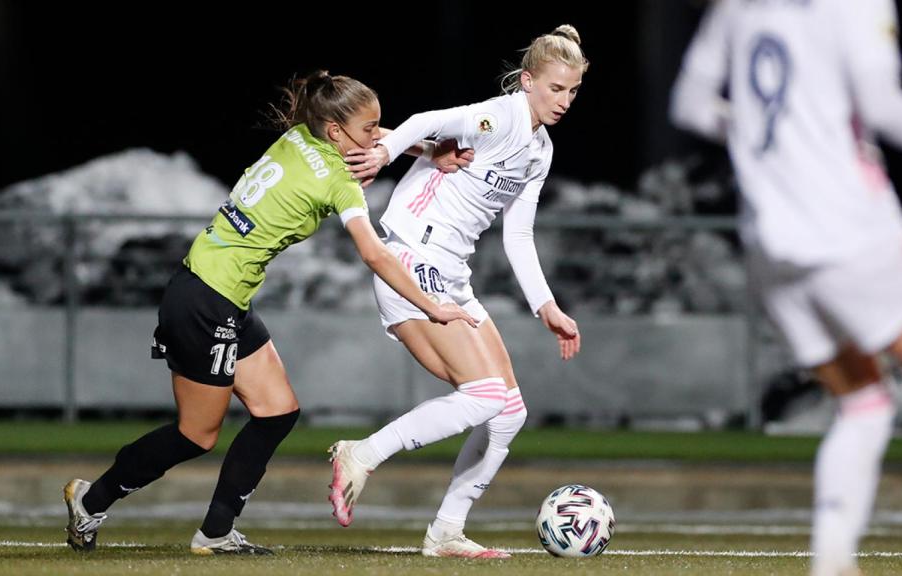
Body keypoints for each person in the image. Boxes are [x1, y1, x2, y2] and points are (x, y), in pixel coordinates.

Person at [62, 70, 478, 555]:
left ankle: (215, 532)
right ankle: (91, 500)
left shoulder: (300, 134)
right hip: (205, 300)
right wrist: (432, 306)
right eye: (368, 129)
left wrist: (427, 151)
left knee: (277, 412)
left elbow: (380, 138)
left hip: (220, 294)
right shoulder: (337, 179)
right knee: (196, 435)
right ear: (336, 132)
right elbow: (375, 254)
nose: (378, 138)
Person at [670, 1, 902, 574]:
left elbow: (689, 106)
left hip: (769, 246)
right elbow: (882, 107)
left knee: (863, 405)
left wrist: (763, 133)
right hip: (844, 228)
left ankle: (832, 564)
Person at [327, 25, 587, 558]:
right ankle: (362, 453)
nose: (564, 100)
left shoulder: (540, 149)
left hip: (451, 272)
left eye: (573, 91)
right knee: (485, 394)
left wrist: (547, 305)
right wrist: (385, 154)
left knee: (508, 410)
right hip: (411, 256)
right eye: (555, 88)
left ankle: (446, 531)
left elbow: (517, 234)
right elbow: (426, 122)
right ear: (527, 81)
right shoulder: (504, 115)